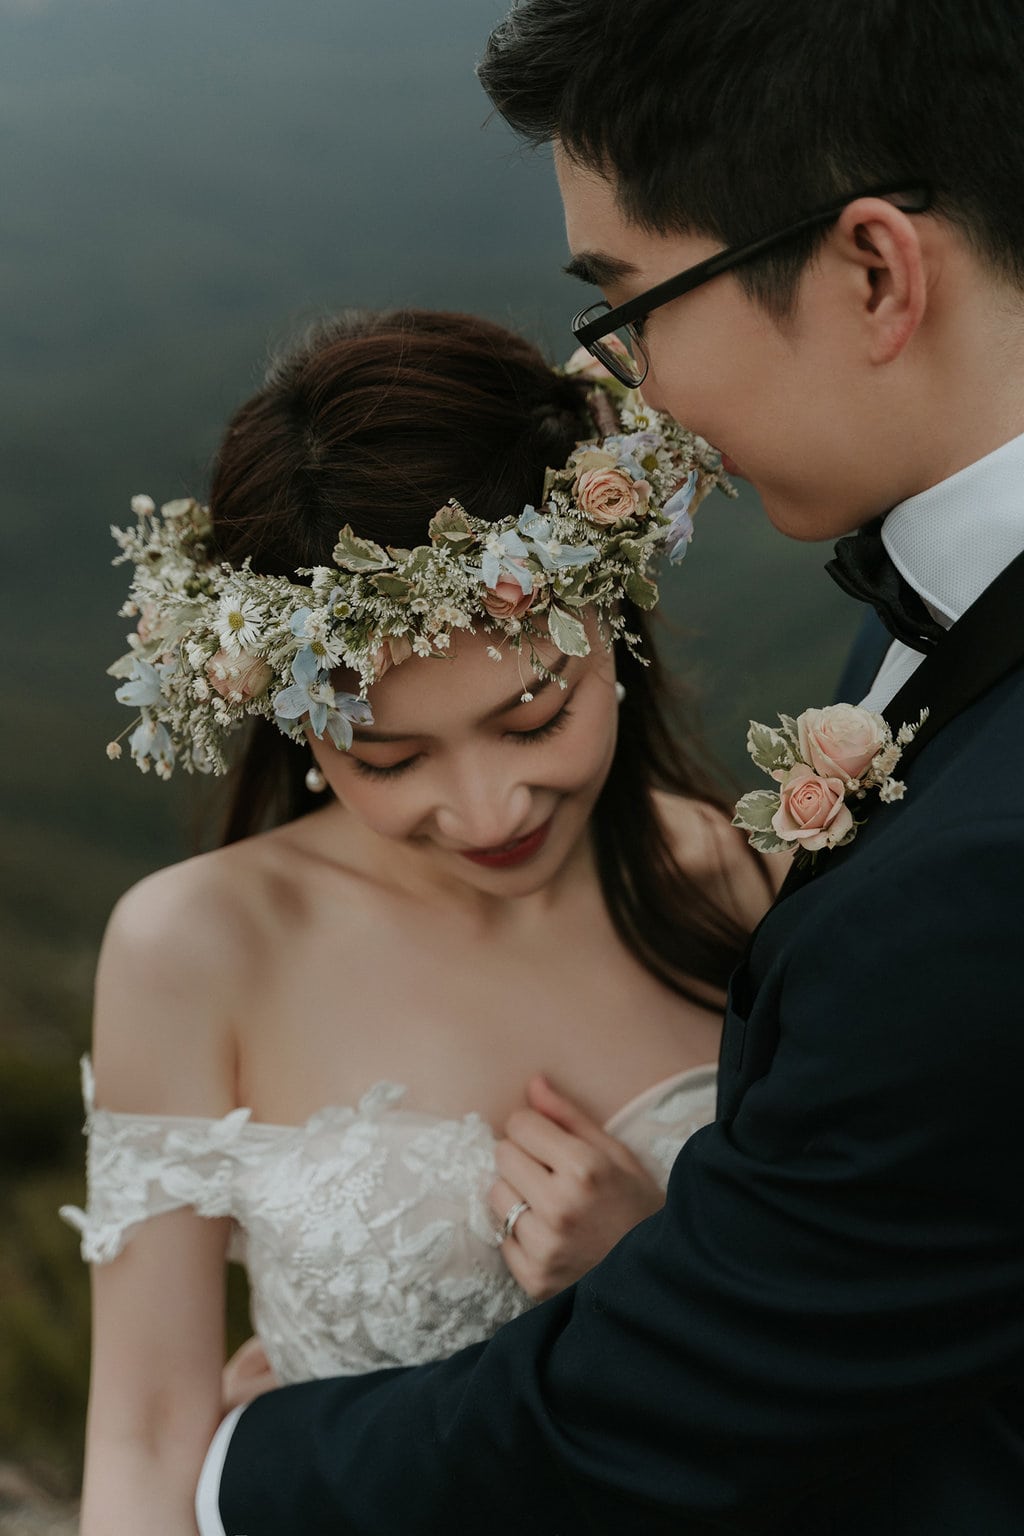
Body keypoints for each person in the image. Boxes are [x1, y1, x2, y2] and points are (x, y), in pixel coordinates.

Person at [194, 2, 1024, 1534]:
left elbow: (735, 1367)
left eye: (634, 303)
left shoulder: (990, 862)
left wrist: (243, 1472)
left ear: (871, 271)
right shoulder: (924, 636)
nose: (634, 387)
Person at [61, 307, 775, 1534]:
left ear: (612, 625)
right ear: (294, 721)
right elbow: (144, 1437)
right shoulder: (197, 947)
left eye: (534, 718)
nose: (487, 807)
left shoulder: (733, 879)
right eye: (388, 757)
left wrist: (655, 1264)